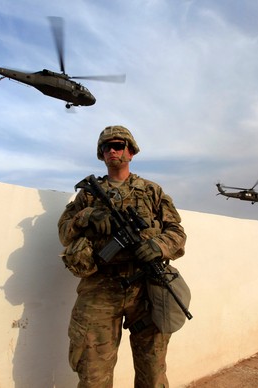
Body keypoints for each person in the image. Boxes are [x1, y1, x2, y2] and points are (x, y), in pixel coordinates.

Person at [58, 125, 187, 387]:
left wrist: (159, 246)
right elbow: (64, 232)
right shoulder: (89, 194)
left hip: (147, 289)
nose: (113, 151)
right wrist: (89, 216)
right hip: (100, 288)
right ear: (101, 154)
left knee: (153, 371)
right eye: (107, 147)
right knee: (93, 373)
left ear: (131, 151)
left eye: (119, 145)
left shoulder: (152, 191)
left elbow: (177, 233)